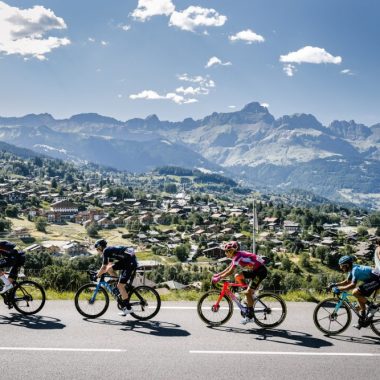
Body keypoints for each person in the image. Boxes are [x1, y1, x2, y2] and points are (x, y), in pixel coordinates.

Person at [212, 241, 267, 324]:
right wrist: (218, 274)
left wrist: (219, 278)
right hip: (256, 270)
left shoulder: (238, 256)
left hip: (260, 272)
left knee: (248, 292)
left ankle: (250, 316)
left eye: (228, 251)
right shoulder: (236, 256)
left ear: (233, 251)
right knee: (237, 276)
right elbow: (228, 268)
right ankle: (247, 292)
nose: (226, 253)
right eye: (226, 251)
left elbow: (230, 271)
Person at [329, 255, 380, 329]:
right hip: (372, 280)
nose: (341, 268)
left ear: (347, 265)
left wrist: (340, 289)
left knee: (355, 292)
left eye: (342, 266)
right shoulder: (352, 269)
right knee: (359, 296)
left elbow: (352, 285)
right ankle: (362, 321)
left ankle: (373, 307)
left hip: (377, 280)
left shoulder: (355, 270)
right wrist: (335, 284)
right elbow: (347, 282)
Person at [94, 239, 138, 316]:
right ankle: (119, 285)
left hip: (129, 262)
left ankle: (128, 308)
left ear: (100, 247)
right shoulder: (109, 251)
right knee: (110, 269)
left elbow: (103, 267)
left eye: (97, 249)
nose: (97, 251)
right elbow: (108, 266)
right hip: (127, 260)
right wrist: (101, 272)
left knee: (120, 286)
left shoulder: (106, 251)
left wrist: (97, 276)